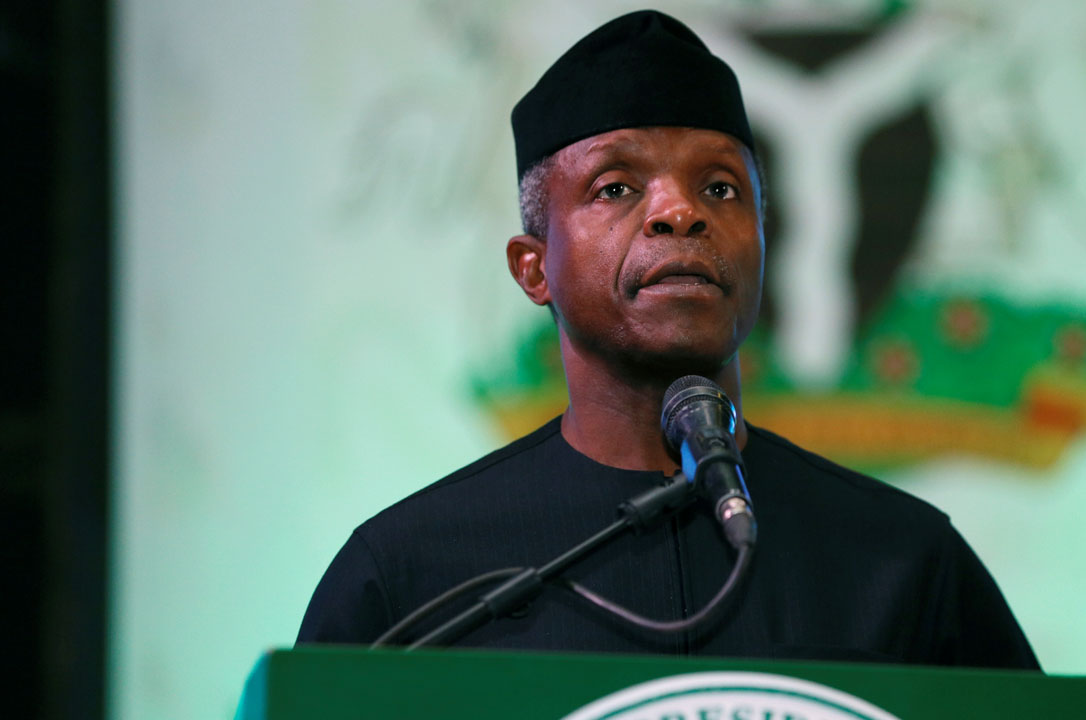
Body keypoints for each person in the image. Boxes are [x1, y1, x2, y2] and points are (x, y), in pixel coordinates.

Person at [297, 9, 1039, 670]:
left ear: (764, 245)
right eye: (616, 187)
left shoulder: (901, 560)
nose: (680, 212)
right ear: (533, 269)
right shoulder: (411, 575)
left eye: (720, 188)